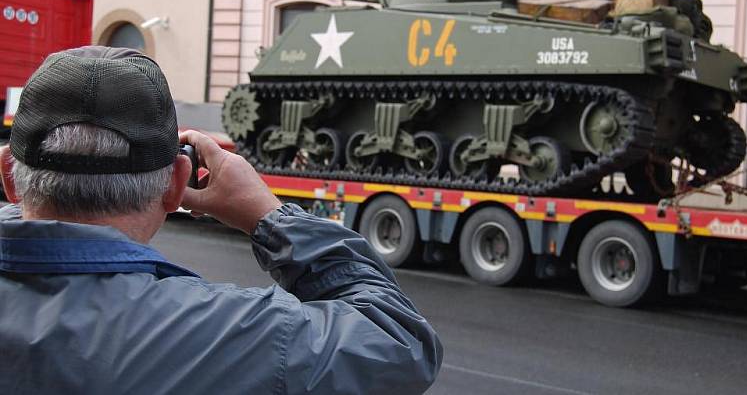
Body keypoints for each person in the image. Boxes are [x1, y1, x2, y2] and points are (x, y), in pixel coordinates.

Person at [0, 46, 442, 394]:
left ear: (9, 176)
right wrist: (270, 216)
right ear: (177, 184)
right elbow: (399, 343)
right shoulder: (225, 334)